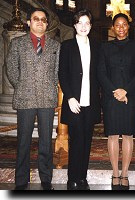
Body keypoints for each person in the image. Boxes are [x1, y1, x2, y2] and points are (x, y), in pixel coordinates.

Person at [6, 8, 60, 190]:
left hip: (47, 98)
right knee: (23, 140)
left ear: (47, 23)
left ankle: (46, 177)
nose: (39, 22)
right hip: (25, 98)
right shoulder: (17, 43)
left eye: (43, 19)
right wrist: (21, 85)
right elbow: (11, 68)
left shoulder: (55, 46)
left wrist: (52, 86)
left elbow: (57, 72)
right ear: (29, 22)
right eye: (35, 19)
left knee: (46, 140)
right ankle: (21, 179)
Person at [98, 13, 135, 190]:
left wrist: (126, 91)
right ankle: (115, 173)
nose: (121, 28)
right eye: (117, 25)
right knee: (111, 135)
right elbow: (101, 73)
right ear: (113, 27)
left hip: (130, 97)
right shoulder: (104, 47)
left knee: (127, 135)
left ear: (128, 27)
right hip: (111, 98)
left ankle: (125, 173)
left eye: (124, 24)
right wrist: (115, 91)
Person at [58, 9, 101, 190]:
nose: (83, 26)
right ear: (74, 25)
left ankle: (82, 177)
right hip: (74, 102)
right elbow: (62, 73)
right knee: (76, 141)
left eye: (87, 23)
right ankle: (72, 178)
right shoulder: (67, 46)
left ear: (90, 26)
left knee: (87, 141)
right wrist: (69, 97)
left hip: (90, 103)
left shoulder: (97, 46)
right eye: (80, 23)